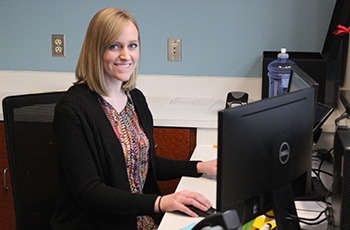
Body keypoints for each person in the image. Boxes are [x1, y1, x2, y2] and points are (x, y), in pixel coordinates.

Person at [50, 7, 217, 230]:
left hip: (139, 218)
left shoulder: (134, 99)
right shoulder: (72, 110)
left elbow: (143, 162)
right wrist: (160, 202)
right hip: (99, 224)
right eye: (114, 46)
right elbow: (89, 191)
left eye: (132, 46)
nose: (126, 56)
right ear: (95, 50)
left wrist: (201, 167)